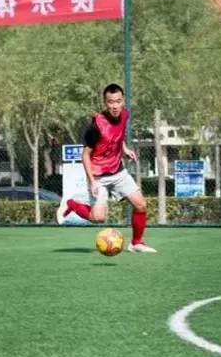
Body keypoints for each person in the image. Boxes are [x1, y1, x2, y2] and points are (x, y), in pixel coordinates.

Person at [56, 83, 157, 253]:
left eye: (118, 101)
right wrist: (92, 182)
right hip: (98, 176)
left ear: (123, 101)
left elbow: (118, 135)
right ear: (105, 102)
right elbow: (85, 155)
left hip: (118, 171)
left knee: (141, 205)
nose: (115, 106)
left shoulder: (124, 114)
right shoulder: (95, 126)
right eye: (111, 102)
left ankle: (136, 243)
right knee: (98, 218)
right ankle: (71, 204)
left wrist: (124, 149)